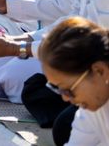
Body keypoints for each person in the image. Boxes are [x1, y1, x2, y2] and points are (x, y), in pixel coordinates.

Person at [38, 17, 109, 145]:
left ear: (99, 71)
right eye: (58, 89)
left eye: (68, 90)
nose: (65, 98)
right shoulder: (94, 105)